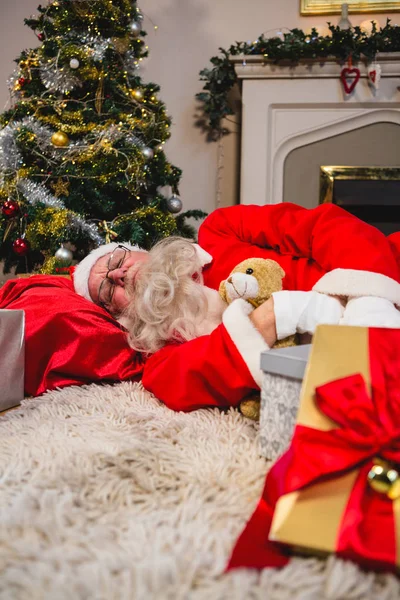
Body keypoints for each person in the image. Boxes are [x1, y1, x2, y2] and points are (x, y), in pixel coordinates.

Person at [72, 202, 400, 413]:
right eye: (105, 289)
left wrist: (369, 300)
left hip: (388, 273)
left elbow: (323, 227)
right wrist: (278, 315)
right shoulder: (163, 357)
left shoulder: (220, 228)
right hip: (354, 381)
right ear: (119, 316)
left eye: (115, 259)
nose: (117, 274)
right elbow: (192, 378)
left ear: (139, 251)